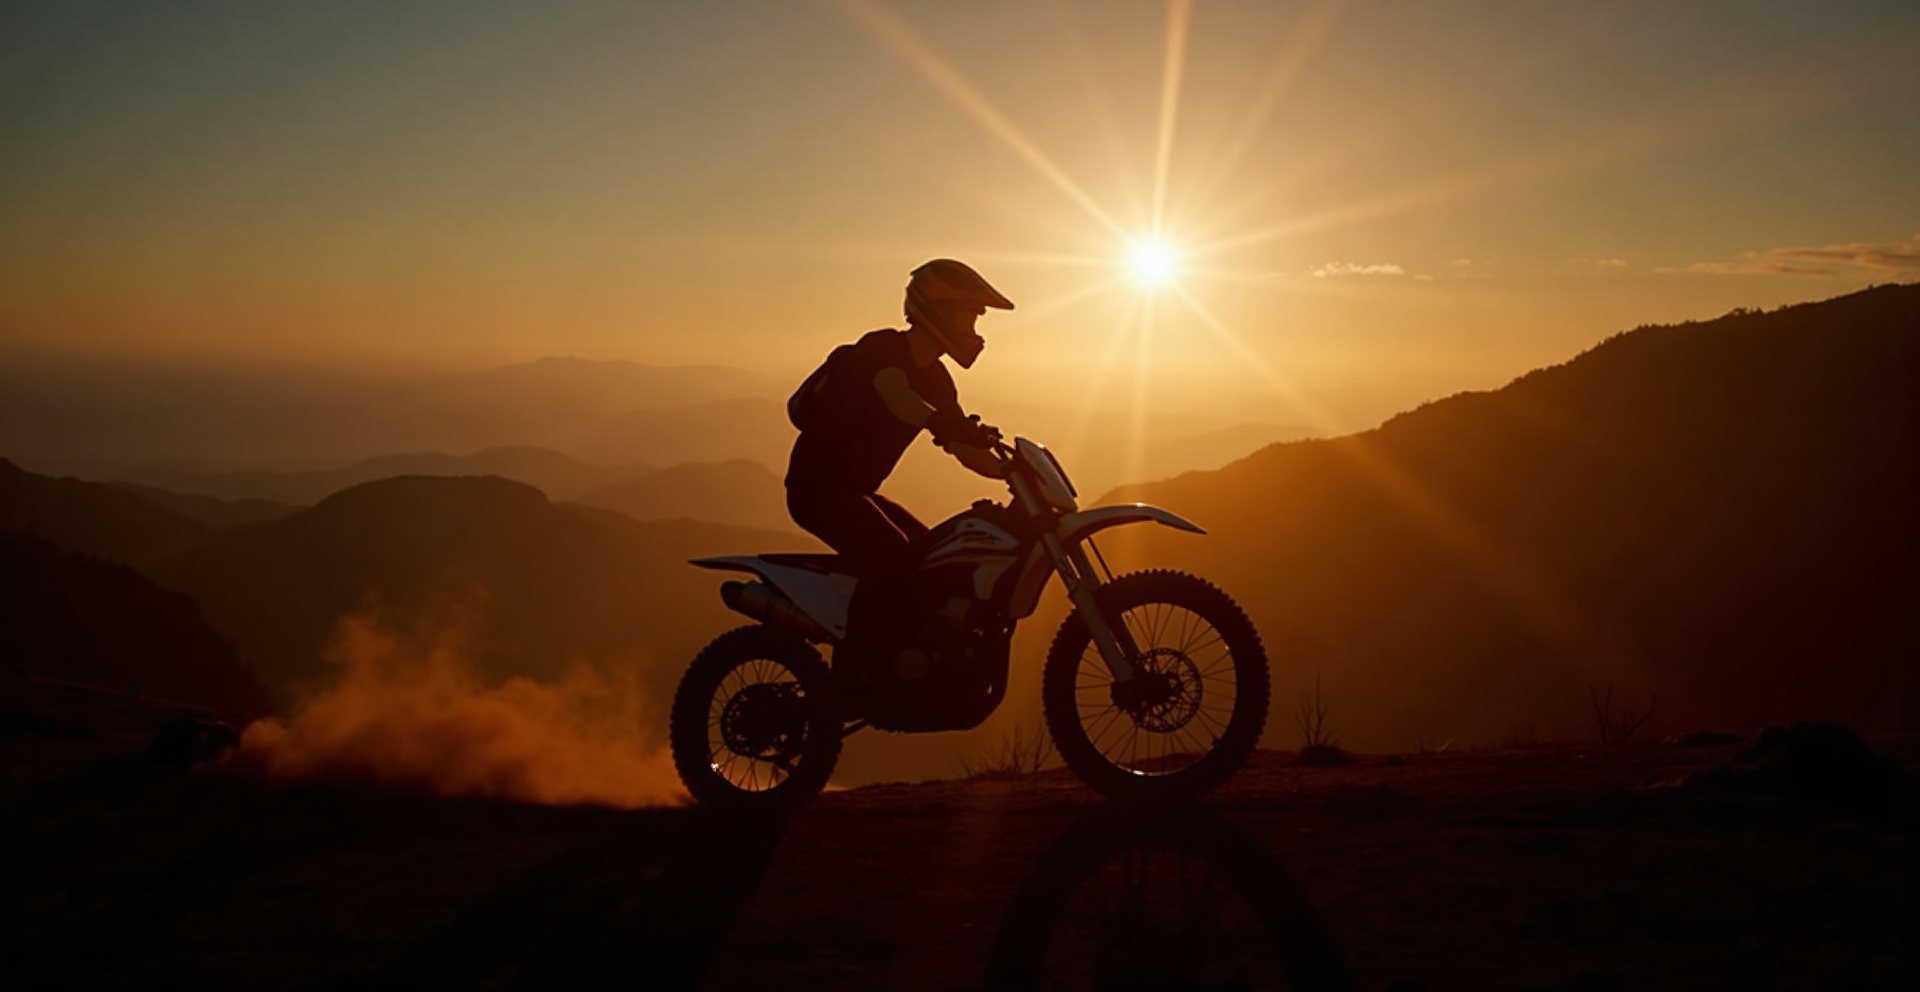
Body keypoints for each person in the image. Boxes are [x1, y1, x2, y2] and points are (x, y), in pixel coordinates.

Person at [784, 258, 1015, 579]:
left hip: (859, 493)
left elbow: (963, 449)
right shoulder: (882, 348)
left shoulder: (938, 380)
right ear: (940, 310)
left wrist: (1012, 473)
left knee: (934, 557)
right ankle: (868, 630)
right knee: (895, 562)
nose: (974, 331)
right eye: (970, 317)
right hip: (816, 491)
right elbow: (896, 394)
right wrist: (939, 423)